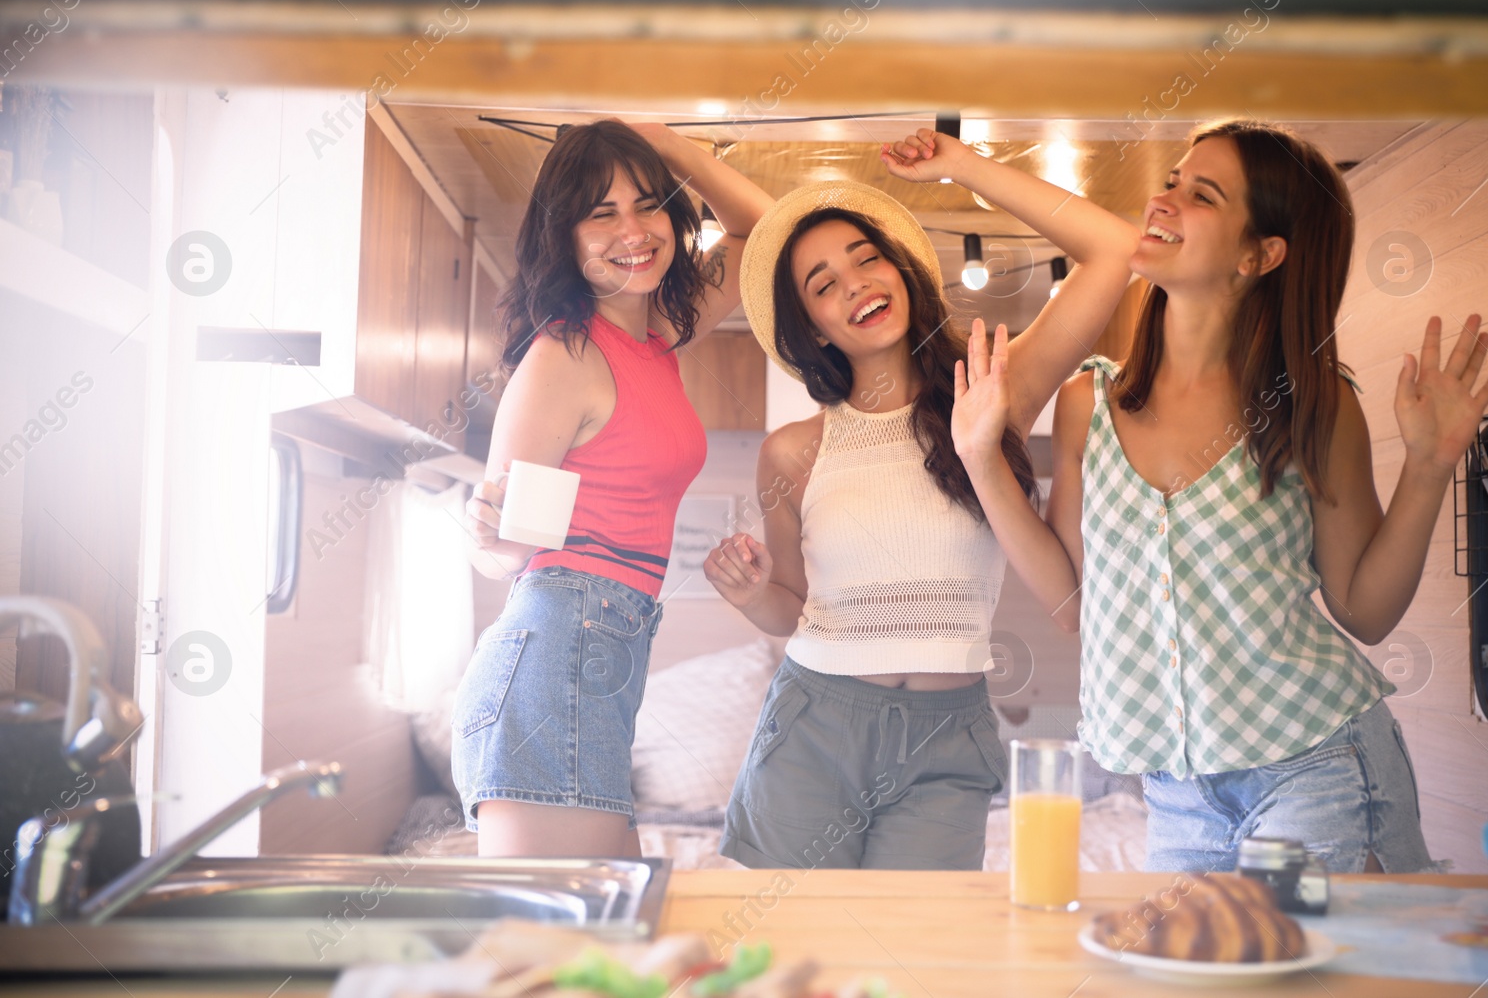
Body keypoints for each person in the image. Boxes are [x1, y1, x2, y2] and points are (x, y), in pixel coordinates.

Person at [946, 119, 1488, 873]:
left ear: (1260, 254)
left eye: (1199, 192)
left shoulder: (1314, 403)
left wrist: (1431, 465)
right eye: (1171, 180)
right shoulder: (1089, 401)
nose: (1163, 199)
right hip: (1178, 796)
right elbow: (1077, 604)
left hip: (1314, 764)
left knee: (1294, 983)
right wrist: (980, 457)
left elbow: (1366, 611)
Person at [702, 130, 1140, 869]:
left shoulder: (996, 387)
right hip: (814, 725)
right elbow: (792, 605)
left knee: (917, 963)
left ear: (901, 268)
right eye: (823, 284)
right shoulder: (793, 450)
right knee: (794, 965)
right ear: (812, 326)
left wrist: (964, 167)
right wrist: (751, 596)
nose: (855, 284)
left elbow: (1115, 250)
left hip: (946, 734)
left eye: (866, 258)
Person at [455, 120, 772, 857]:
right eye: (601, 212)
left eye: (649, 202)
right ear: (564, 236)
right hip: (556, 651)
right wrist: (488, 535)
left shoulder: (655, 337)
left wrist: (675, 148)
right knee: (570, 951)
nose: (632, 229)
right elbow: (508, 555)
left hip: (602, 651)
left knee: (599, 939)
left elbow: (765, 232)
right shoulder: (563, 354)